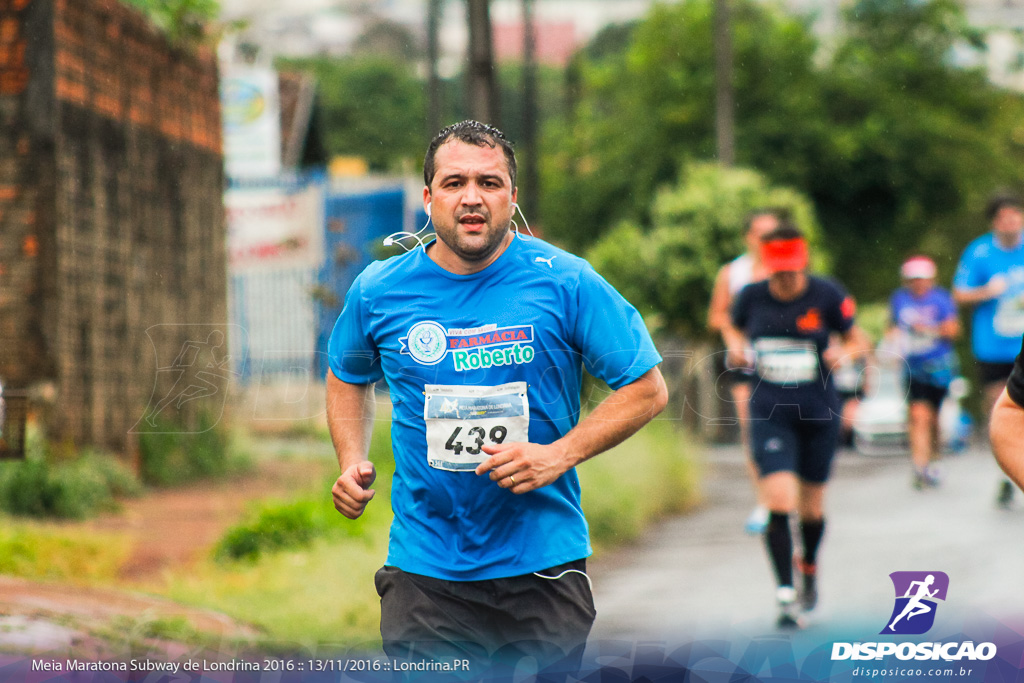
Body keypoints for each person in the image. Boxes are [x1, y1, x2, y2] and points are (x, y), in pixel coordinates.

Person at [326, 120, 667, 675]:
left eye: (489, 183)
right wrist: (350, 459)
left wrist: (560, 453)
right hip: (425, 566)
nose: (471, 198)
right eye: (455, 182)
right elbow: (347, 373)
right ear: (428, 196)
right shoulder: (379, 289)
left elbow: (646, 388)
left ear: (512, 195)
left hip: (542, 563)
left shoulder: (565, 280)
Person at [728, 223, 870, 628]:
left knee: (811, 508)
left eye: (792, 268)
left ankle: (808, 564)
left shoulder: (828, 294)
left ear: (803, 262)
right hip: (770, 411)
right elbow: (734, 329)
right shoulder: (750, 298)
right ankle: (785, 592)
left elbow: (859, 340)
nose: (785, 277)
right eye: (778, 270)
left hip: (818, 413)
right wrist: (736, 348)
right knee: (779, 501)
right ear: (767, 266)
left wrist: (844, 353)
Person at [707, 210, 779, 534]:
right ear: (748, 237)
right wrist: (733, 339)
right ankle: (765, 502)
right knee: (753, 430)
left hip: (783, 362)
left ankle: (786, 496)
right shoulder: (732, 273)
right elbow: (716, 316)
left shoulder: (788, 269)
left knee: (787, 428)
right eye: (760, 234)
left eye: (772, 234)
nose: (766, 241)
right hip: (745, 363)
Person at [953, 192, 1024, 508]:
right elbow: (959, 294)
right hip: (994, 345)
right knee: (1002, 405)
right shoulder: (979, 252)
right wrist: (987, 291)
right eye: (1004, 217)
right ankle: (1005, 474)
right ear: (995, 222)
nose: (1011, 222)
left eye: (1016, 215)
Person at [888, 256, 959, 489]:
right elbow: (892, 328)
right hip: (913, 367)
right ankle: (919, 466)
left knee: (934, 418)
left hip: (939, 366)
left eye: (921, 279)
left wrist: (927, 329)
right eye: (913, 280)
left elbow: (953, 330)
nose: (917, 284)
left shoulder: (941, 299)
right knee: (918, 415)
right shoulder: (899, 299)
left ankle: (935, 459)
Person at [990, 337, 1024, 490]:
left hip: (1013, 345)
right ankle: (1003, 475)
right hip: (993, 349)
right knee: (997, 396)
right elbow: (1010, 412)